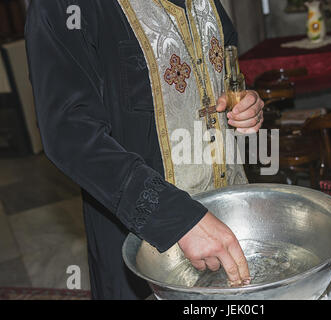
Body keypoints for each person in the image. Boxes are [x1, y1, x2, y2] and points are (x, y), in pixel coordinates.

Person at [25, 0, 264, 299]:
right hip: (144, 241)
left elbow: (221, 61)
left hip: (232, 220)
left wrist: (243, 103)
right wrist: (177, 217)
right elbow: (70, 134)